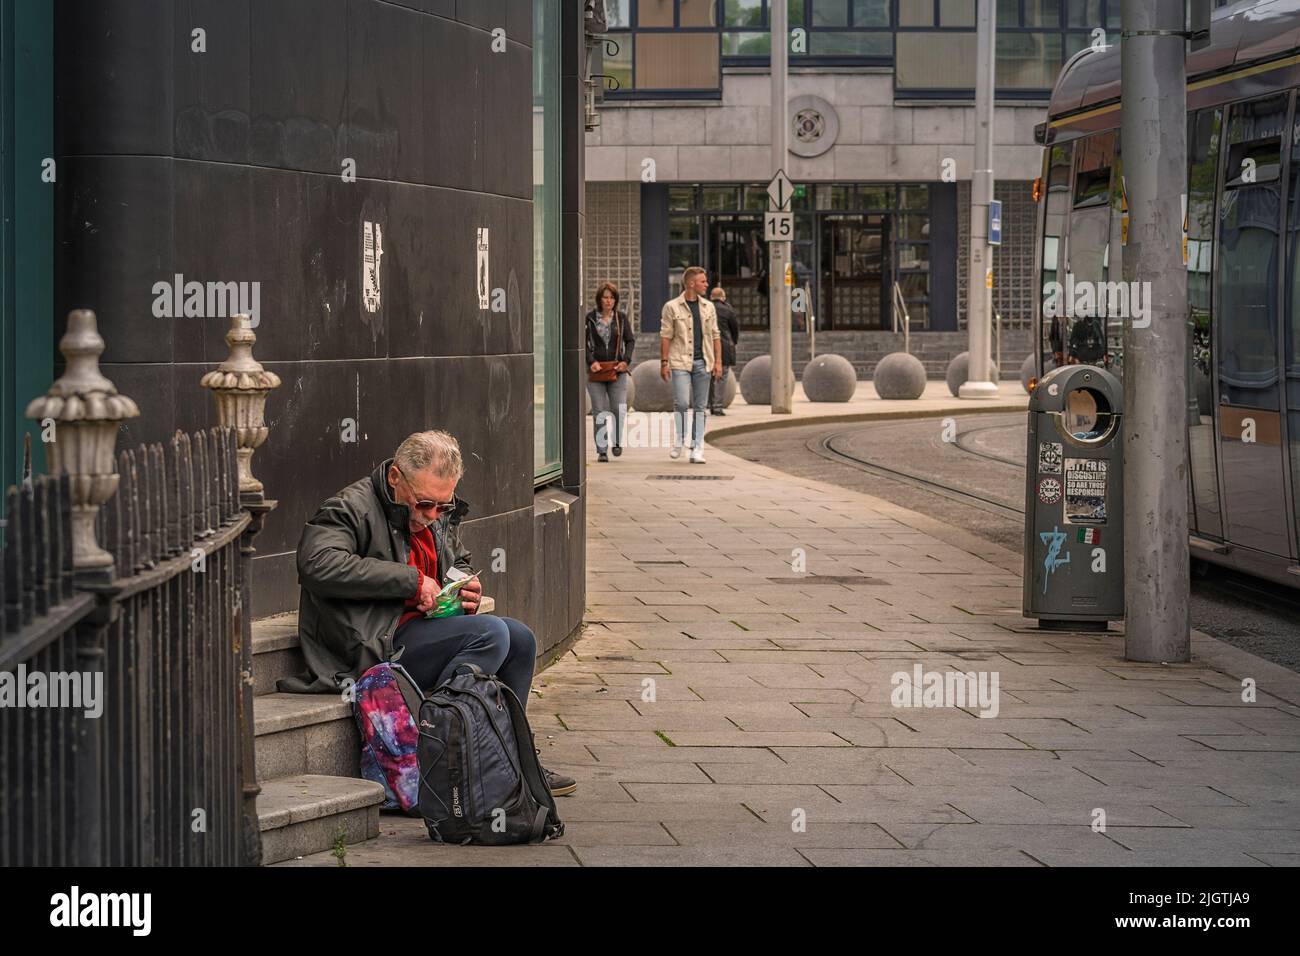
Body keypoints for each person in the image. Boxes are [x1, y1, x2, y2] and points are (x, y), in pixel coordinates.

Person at [286, 430, 577, 796]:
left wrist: (464, 585)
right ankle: (455, 756)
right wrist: (410, 581)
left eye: (443, 505)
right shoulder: (349, 508)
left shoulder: (434, 509)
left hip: (420, 630)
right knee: (490, 634)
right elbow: (317, 564)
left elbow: (459, 560)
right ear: (395, 477)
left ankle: (513, 756)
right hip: (370, 645)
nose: (433, 515)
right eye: (425, 504)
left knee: (520, 637)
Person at [660, 266, 723, 463]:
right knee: (681, 402)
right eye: (703, 281)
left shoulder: (708, 307)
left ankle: (697, 448)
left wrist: (718, 362)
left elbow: (715, 336)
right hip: (680, 361)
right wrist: (664, 362)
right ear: (691, 283)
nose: (706, 285)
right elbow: (665, 336)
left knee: (700, 406)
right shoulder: (671, 307)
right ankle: (679, 439)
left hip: (703, 362)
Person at [585, 282, 635, 462]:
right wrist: (591, 362)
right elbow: (583, 344)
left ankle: (617, 442)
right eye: (605, 297)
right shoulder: (589, 318)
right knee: (599, 411)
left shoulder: (621, 318)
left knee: (618, 409)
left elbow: (630, 341)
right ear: (599, 299)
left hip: (617, 370)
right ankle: (602, 450)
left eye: (612, 297)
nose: (608, 300)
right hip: (596, 371)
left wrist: (625, 361)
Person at [708, 286, 739, 415]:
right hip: (724, 346)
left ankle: (709, 404)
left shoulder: (705, 308)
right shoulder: (728, 310)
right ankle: (718, 406)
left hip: (707, 346)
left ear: (711, 297)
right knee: (722, 377)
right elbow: (734, 329)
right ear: (723, 297)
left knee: (708, 376)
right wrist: (734, 342)